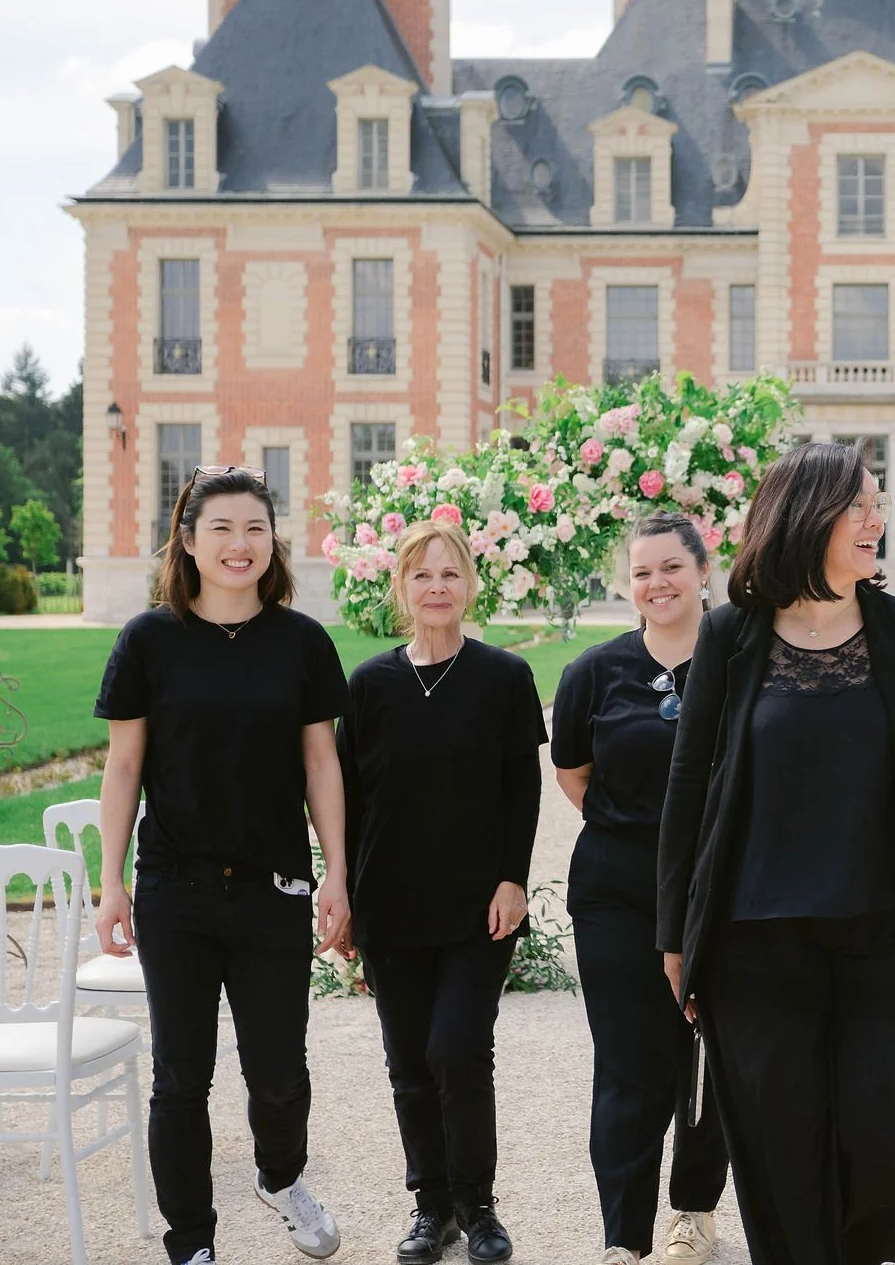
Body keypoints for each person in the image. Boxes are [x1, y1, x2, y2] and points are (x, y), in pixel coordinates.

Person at [657, 441, 895, 1265]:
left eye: (878, 504)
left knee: (887, 1135)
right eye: (860, 506)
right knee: (777, 1145)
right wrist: (674, 936)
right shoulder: (730, 636)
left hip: (887, 940)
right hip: (751, 944)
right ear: (807, 516)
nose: (877, 520)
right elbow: (689, 790)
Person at [92, 466, 350, 1265]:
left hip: (275, 887)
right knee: (180, 1076)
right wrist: (111, 880)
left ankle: (280, 1176)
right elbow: (123, 766)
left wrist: (337, 871)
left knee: (279, 1072)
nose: (241, 544)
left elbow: (321, 764)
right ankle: (191, 1242)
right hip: (176, 888)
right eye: (223, 528)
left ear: (273, 540)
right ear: (188, 540)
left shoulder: (301, 641)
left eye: (255, 528)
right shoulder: (148, 640)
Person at [336, 519, 546, 1265]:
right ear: (401, 585)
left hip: (477, 909)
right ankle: (432, 1208)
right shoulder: (370, 685)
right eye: (421, 575)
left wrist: (514, 878)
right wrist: (343, 892)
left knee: (457, 1050)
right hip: (390, 906)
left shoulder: (504, 678)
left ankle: (477, 1205)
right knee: (409, 1063)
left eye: (450, 574)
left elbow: (523, 789)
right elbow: (347, 801)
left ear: (470, 586)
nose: (436, 587)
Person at [554, 514, 730, 1265]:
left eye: (671, 567)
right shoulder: (594, 671)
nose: (657, 583)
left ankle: (694, 1210)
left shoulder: (742, 660)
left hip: (723, 891)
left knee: (714, 1056)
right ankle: (623, 1238)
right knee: (629, 1064)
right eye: (642, 572)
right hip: (617, 891)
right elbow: (574, 774)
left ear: (702, 570)